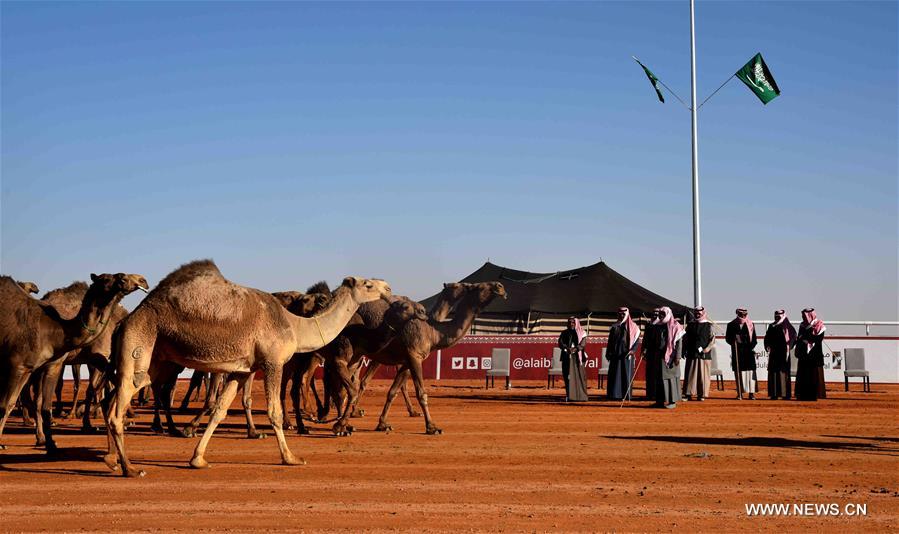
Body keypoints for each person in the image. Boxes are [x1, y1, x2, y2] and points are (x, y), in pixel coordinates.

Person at [648, 306, 683, 409]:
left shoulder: (676, 326)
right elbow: (653, 341)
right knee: (659, 379)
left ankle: (672, 401)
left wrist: (677, 357)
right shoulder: (657, 326)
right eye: (660, 314)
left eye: (663, 314)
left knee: (670, 379)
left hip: (671, 357)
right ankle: (659, 401)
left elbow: (679, 344)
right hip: (658, 357)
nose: (660, 316)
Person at [606, 307, 640, 400]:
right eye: (619, 314)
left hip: (626, 355)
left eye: (623, 314)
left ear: (627, 315)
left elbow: (636, 341)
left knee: (626, 375)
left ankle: (626, 396)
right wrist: (608, 352)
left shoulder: (633, 327)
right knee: (614, 374)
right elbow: (610, 341)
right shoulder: (614, 326)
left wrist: (632, 351)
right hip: (615, 354)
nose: (621, 316)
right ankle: (614, 395)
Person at [682, 306, 714, 401]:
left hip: (704, 355)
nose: (697, 315)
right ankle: (688, 394)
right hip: (691, 354)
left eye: (699, 313)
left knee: (703, 376)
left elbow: (712, 340)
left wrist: (706, 349)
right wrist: (684, 350)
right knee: (690, 375)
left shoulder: (709, 325)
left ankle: (702, 394)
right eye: (696, 313)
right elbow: (685, 339)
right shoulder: (690, 325)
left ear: (703, 313)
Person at [725, 308, 758, 400]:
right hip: (737, 352)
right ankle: (740, 393)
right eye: (741, 314)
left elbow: (754, 340)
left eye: (744, 314)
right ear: (737, 313)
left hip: (749, 353)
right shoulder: (731, 325)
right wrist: (733, 341)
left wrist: (749, 347)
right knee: (739, 373)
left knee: (751, 374)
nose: (743, 316)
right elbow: (728, 339)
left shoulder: (751, 324)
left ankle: (751, 394)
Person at [795, 308, 827, 400]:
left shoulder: (819, 325)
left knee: (813, 376)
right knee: (803, 375)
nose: (802, 318)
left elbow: (818, 339)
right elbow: (800, 337)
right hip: (803, 355)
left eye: (804, 316)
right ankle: (801, 395)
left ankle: (813, 396)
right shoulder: (802, 325)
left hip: (814, 355)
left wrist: (806, 338)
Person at [764, 309, 797, 399]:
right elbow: (767, 338)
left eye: (779, 316)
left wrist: (788, 347)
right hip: (774, 354)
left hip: (783, 354)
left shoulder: (788, 327)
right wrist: (767, 346)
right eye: (776, 316)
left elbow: (793, 338)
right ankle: (774, 394)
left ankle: (785, 394)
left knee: (783, 373)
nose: (777, 318)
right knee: (773, 373)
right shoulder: (772, 326)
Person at [558, 317, 589, 402]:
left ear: (576, 324)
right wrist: (566, 348)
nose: (571, 324)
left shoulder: (582, 333)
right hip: (566, 357)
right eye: (569, 322)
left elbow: (582, 344)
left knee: (580, 377)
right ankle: (569, 396)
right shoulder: (564, 333)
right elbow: (560, 343)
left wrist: (575, 349)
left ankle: (581, 396)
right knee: (568, 377)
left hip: (578, 358)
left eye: (573, 323)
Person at [642, 308, 662, 400]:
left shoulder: (661, 325)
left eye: (657, 313)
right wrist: (643, 350)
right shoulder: (649, 324)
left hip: (658, 353)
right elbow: (645, 339)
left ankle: (656, 395)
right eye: (653, 313)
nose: (655, 315)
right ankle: (649, 394)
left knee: (657, 375)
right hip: (649, 353)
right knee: (649, 374)